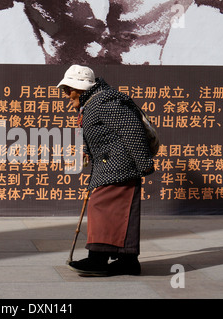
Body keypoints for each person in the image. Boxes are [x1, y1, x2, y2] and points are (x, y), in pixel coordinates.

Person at [57, 65, 155, 276]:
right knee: (116, 212)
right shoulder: (92, 104)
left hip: (120, 166)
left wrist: (144, 163)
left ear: (80, 87)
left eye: (67, 89)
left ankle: (98, 259)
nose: (66, 94)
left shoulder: (105, 101)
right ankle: (127, 261)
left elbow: (132, 130)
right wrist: (86, 152)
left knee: (101, 207)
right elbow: (99, 134)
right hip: (109, 165)